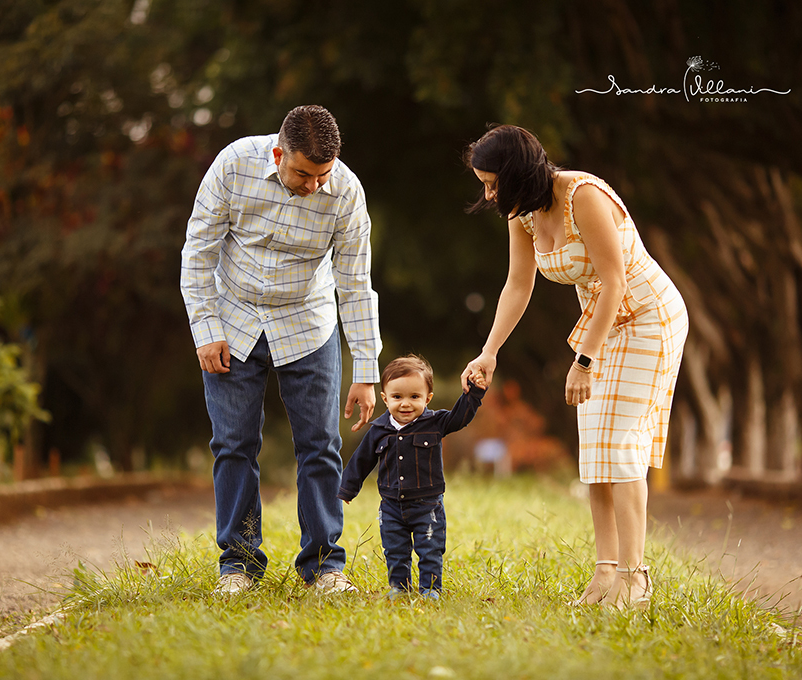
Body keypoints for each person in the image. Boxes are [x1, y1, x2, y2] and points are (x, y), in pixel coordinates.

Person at [459, 125, 688, 609]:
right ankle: (607, 573)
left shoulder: (582, 195)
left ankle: (636, 576)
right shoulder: (520, 213)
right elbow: (517, 286)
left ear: (518, 173)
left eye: (492, 182)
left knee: (619, 441)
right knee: (596, 448)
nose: (488, 193)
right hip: (604, 322)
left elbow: (615, 282)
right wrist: (489, 350)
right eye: (483, 183)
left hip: (648, 318)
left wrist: (583, 360)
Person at [180, 105, 382, 596]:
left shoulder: (346, 193)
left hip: (307, 324)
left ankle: (325, 566)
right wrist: (205, 329)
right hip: (234, 319)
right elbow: (198, 252)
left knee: (320, 445)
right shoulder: (233, 165)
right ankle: (239, 565)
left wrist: (366, 368)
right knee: (233, 444)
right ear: (278, 153)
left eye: (323, 175)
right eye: (303, 173)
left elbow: (355, 284)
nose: (314, 185)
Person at [338, 355, 487, 599]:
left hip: (427, 505)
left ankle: (430, 589)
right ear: (385, 398)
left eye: (414, 397)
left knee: (430, 549)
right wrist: (347, 489)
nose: (405, 404)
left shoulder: (435, 423)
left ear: (427, 398)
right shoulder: (378, 430)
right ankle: (399, 587)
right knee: (394, 549)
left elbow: (460, 417)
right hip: (391, 506)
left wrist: (474, 393)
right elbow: (361, 460)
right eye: (397, 397)